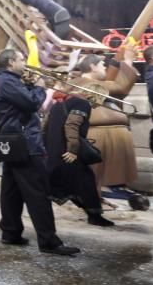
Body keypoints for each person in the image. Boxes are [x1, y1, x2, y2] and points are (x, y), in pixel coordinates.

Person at [0, 49, 79, 255]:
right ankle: (49, 242)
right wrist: (40, 87)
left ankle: (10, 232)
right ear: (12, 62)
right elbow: (32, 104)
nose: (25, 64)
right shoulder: (7, 82)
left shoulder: (7, 81)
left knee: (11, 191)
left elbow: (21, 103)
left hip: (14, 143)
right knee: (38, 193)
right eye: (22, 60)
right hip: (26, 144)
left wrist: (31, 86)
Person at [72, 49, 139, 197]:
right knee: (94, 173)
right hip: (95, 135)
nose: (104, 68)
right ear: (93, 67)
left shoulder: (89, 83)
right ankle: (93, 204)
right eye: (102, 65)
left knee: (97, 175)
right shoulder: (86, 83)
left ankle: (97, 200)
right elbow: (121, 87)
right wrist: (128, 61)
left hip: (102, 134)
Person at [43, 90, 113, 227]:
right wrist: (73, 149)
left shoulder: (59, 104)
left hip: (54, 152)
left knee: (69, 184)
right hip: (67, 154)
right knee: (85, 182)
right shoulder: (82, 103)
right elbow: (72, 125)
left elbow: (44, 126)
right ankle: (94, 216)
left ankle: (94, 215)